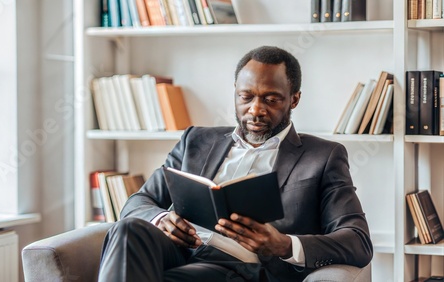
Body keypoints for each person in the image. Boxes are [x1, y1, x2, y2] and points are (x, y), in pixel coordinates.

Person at [98, 46, 373, 282]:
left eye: (271, 98)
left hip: (241, 267)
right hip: (179, 249)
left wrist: (283, 244)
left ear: (294, 99)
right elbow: (137, 203)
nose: (255, 109)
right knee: (127, 229)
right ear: (235, 92)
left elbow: (357, 241)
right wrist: (161, 219)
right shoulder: (196, 140)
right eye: (246, 96)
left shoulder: (323, 157)